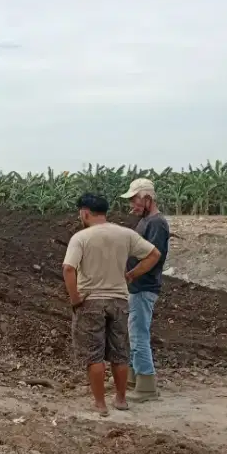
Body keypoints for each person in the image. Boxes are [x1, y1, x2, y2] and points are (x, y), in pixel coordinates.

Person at [62, 193, 161, 416]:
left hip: (91, 302)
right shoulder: (125, 234)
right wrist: (132, 274)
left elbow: (68, 268)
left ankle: (100, 404)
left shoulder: (81, 238)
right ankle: (121, 399)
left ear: (84, 212)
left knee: (94, 356)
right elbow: (154, 254)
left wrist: (75, 298)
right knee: (120, 354)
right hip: (119, 301)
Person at [120, 178, 170, 402]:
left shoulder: (157, 224)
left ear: (148, 198)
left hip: (144, 286)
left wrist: (131, 274)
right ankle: (132, 378)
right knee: (133, 333)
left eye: (135, 200)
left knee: (139, 335)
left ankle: (147, 385)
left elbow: (153, 257)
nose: (132, 205)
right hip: (137, 287)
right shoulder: (146, 221)